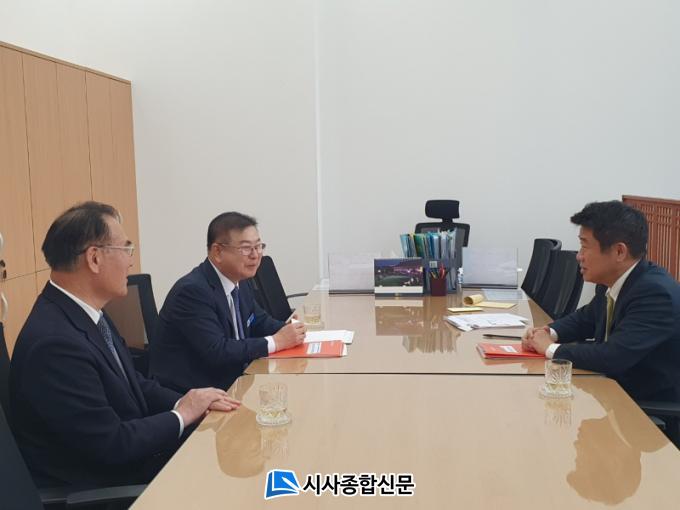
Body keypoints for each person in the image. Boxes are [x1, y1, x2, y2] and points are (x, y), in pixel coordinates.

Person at [9, 202, 240, 489]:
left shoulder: (87, 313)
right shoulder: (55, 345)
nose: (131, 261)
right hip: (108, 488)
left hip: (134, 461)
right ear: (94, 258)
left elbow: (133, 384)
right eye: (126, 249)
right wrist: (182, 415)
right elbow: (111, 443)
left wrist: (188, 401)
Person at [522, 200, 680, 402]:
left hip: (644, 406)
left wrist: (550, 349)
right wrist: (548, 332)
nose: (579, 256)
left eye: (584, 246)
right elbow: (585, 319)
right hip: (609, 391)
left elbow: (614, 356)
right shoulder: (611, 281)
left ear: (619, 252)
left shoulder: (655, 294)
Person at [150, 212, 305, 393]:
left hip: (234, 384)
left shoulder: (240, 281)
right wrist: (276, 341)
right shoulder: (192, 292)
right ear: (218, 252)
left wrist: (290, 330)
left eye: (258, 246)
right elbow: (217, 350)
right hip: (195, 394)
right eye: (246, 248)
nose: (255, 255)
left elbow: (258, 320)